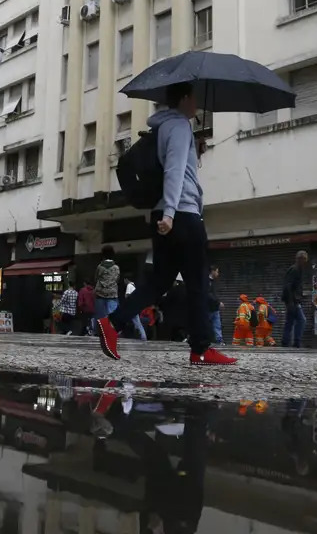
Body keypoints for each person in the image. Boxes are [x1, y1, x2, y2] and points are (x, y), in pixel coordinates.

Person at [99, 83, 236, 366]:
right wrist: (172, 212)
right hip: (181, 215)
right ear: (185, 98)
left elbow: (175, 167)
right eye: (194, 97)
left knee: (159, 282)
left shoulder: (163, 128)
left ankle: (112, 323)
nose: (197, 102)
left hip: (164, 213)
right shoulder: (179, 127)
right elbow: (174, 169)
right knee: (198, 281)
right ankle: (200, 349)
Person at [281, 250, 309, 348]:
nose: (304, 261)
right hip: (292, 301)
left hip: (294, 300)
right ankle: (295, 342)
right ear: (298, 259)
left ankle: (286, 342)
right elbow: (288, 286)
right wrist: (290, 302)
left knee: (290, 321)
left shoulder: (299, 269)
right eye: (303, 259)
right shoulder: (294, 269)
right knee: (301, 320)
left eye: (305, 259)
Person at [94, 246, 121, 329]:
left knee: (101, 316)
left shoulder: (100, 266)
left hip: (100, 293)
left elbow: (96, 278)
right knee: (112, 314)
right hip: (112, 293)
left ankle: (101, 332)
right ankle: (112, 331)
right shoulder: (116, 268)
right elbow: (117, 279)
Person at [207, 266, 224, 345]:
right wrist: (218, 302)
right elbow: (209, 295)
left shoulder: (212, 281)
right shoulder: (207, 281)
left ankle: (219, 340)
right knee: (207, 324)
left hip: (214, 308)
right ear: (212, 271)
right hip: (208, 308)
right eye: (217, 271)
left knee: (217, 325)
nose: (218, 273)